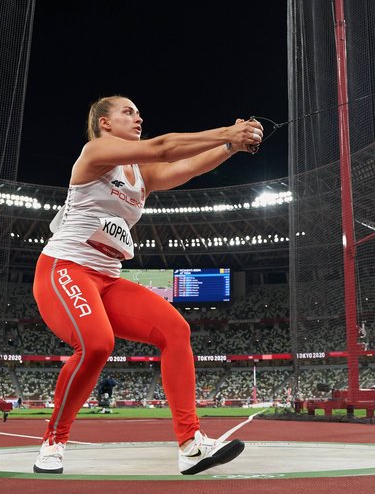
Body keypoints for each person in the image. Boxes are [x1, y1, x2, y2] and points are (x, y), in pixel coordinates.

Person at [31, 96, 262, 475]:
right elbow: (164, 147)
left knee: (176, 330)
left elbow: (185, 168)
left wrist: (230, 146)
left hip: (107, 278)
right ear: (104, 122)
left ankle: (190, 444)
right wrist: (226, 131)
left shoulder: (141, 173)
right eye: (128, 111)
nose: (138, 117)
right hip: (65, 268)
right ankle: (54, 441)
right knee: (97, 344)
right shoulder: (96, 151)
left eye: (138, 112)